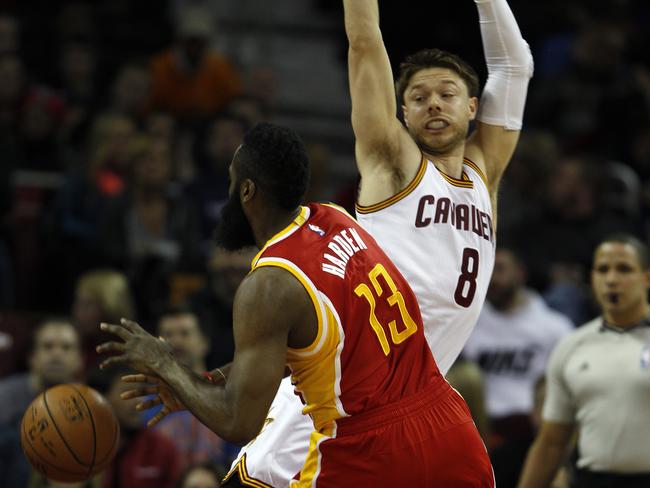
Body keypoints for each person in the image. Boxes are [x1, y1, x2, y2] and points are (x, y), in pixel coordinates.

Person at [229, 0, 534, 484]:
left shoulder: (485, 171)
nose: (433, 103)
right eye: (418, 96)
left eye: (447, 93)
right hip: (340, 395)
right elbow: (365, 40)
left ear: (473, 107)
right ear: (403, 114)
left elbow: (514, 64)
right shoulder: (393, 162)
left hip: (410, 404)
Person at [98, 122, 493, 487]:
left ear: (247, 191)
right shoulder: (339, 221)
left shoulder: (269, 286)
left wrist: (165, 364)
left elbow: (239, 422)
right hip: (450, 430)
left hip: (371, 452)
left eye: (233, 182)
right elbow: (310, 349)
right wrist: (197, 384)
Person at [518, 234, 650, 488]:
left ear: (646, 277)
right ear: (592, 278)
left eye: (624, 269)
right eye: (603, 270)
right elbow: (551, 444)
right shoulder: (572, 346)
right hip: (593, 480)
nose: (611, 279)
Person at [463, 248, 572, 444]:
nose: (492, 278)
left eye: (500, 269)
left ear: (520, 274)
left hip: (535, 427)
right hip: (480, 426)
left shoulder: (555, 327)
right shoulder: (467, 323)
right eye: (488, 270)